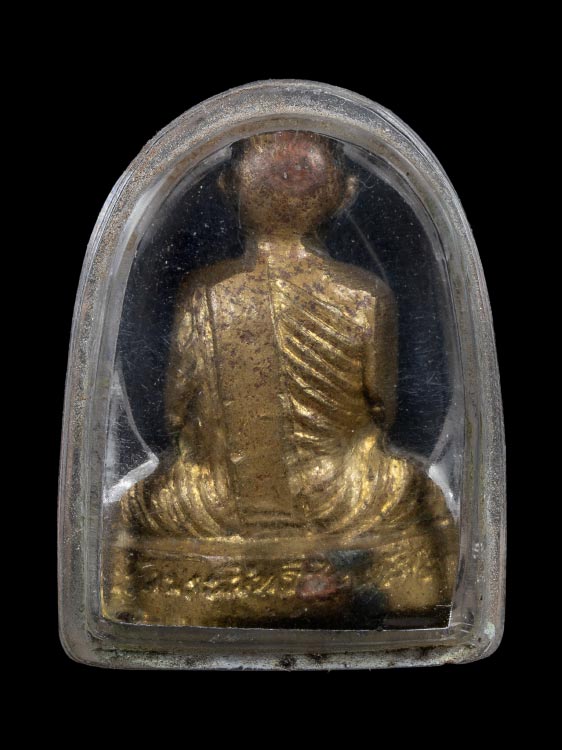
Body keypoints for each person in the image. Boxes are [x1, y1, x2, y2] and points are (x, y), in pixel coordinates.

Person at [107, 131, 458, 626]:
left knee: (146, 505)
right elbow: (382, 409)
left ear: (229, 186)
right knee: (413, 493)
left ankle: (171, 591)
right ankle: (374, 579)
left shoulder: (204, 291)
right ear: (345, 191)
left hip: (217, 510)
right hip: (343, 504)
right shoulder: (364, 295)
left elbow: (174, 412)